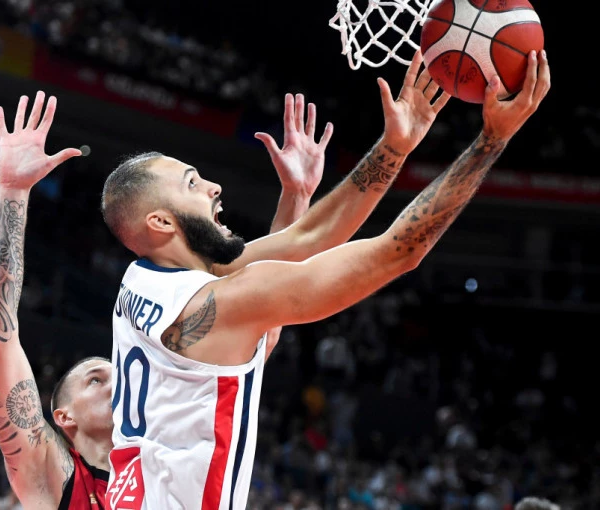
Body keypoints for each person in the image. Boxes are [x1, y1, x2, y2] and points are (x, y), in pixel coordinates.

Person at [100, 49, 550, 509]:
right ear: (161, 222)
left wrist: (393, 148)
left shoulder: (145, 278)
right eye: (192, 184)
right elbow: (399, 250)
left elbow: (305, 239)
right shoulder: (218, 302)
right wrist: (491, 140)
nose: (213, 187)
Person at [0, 87, 329, 508]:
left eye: (112, 373)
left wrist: (296, 195)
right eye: (95, 380)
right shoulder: (55, 478)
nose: (116, 382)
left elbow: (263, 317)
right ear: (64, 417)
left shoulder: (171, 457)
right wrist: (12, 191)